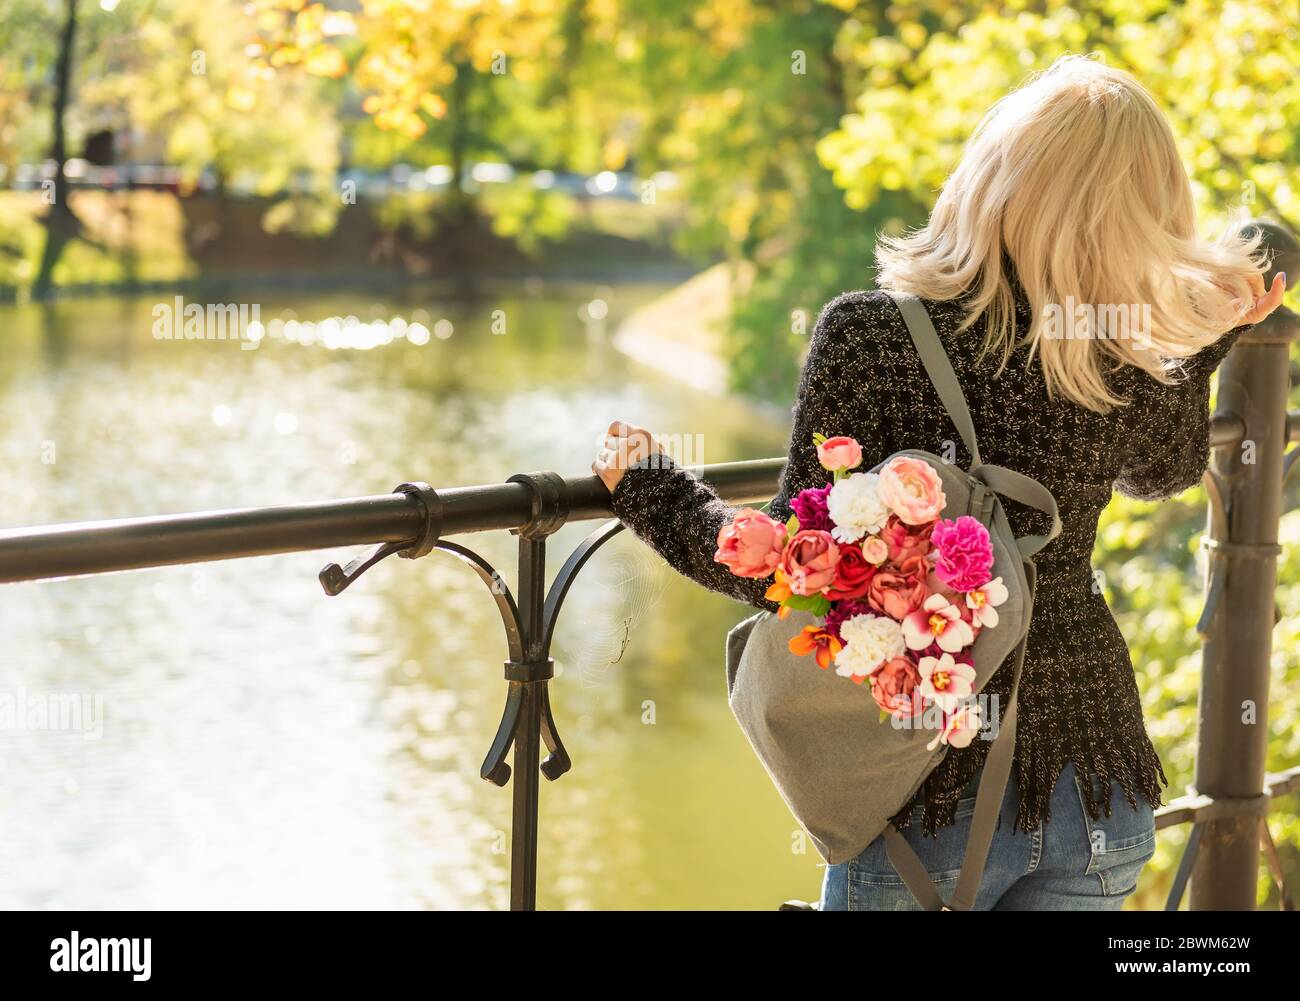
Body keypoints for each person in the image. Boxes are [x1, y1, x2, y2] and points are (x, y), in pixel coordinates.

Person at [592, 54, 1286, 910]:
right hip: (1099, 791)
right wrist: (1208, 337)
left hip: (929, 793)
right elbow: (1167, 468)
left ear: (988, 178)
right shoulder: (1116, 353)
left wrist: (651, 487)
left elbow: (785, 570)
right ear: (1149, 214)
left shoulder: (872, 337)